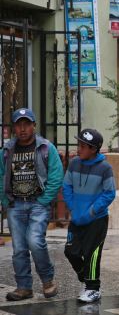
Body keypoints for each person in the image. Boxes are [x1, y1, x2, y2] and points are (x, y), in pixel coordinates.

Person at [0, 108, 64, 301]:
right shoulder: (7, 150)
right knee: (19, 247)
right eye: (18, 125)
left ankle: (48, 281)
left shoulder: (46, 147)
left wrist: (44, 200)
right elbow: (2, 176)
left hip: (38, 204)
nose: (22, 129)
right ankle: (24, 287)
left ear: (34, 125)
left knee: (35, 241)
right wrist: (6, 200)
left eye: (26, 124)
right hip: (15, 205)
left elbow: (56, 175)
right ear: (13, 129)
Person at [63, 129, 116, 303]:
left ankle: (93, 289)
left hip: (97, 220)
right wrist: (73, 208)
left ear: (93, 149)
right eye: (79, 145)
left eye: (83, 146)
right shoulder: (74, 164)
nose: (79, 149)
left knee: (92, 253)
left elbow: (109, 193)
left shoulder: (105, 168)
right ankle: (86, 278)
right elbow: (67, 187)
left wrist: (92, 212)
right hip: (77, 218)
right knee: (71, 251)